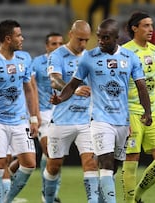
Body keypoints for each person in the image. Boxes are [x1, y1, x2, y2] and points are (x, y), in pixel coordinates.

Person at [50, 18, 152, 203]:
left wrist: (148, 112)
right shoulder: (89, 57)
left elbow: (141, 86)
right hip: (99, 119)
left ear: (116, 38)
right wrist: (60, 98)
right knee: (105, 162)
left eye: (105, 38)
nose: (101, 41)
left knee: (114, 165)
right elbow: (73, 84)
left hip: (122, 120)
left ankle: (103, 198)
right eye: (99, 37)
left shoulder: (130, 58)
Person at [0, 19, 38, 203]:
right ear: (8, 38)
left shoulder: (24, 58)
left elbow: (28, 89)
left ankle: (6, 200)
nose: (22, 39)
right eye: (19, 35)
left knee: (29, 164)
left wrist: (33, 118)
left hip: (20, 120)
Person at [121, 11, 155, 203]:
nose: (151, 29)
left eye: (151, 25)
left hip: (153, 113)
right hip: (132, 112)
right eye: (146, 25)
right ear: (134, 28)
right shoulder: (125, 52)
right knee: (132, 159)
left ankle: (136, 196)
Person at [43, 20, 100, 203]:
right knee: (54, 166)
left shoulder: (91, 57)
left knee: (90, 163)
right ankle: (49, 199)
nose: (83, 44)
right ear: (71, 34)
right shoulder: (57, 55)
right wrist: (73, 89)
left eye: (86, 40)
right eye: (79, 39)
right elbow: (54, 81)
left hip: (86, 121)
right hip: (61, 121)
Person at [30, 31, 64, 203]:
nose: (57, 47)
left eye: (60, 44)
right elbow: (30, 89)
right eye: (54, 44)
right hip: (43, 112)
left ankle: (50, 192)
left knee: (55, 156)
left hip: (62, 113)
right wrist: (34, 115)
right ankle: (49, 194)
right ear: (47, 46)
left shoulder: (67, 61)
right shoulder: (36, 63)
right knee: (51, 152)